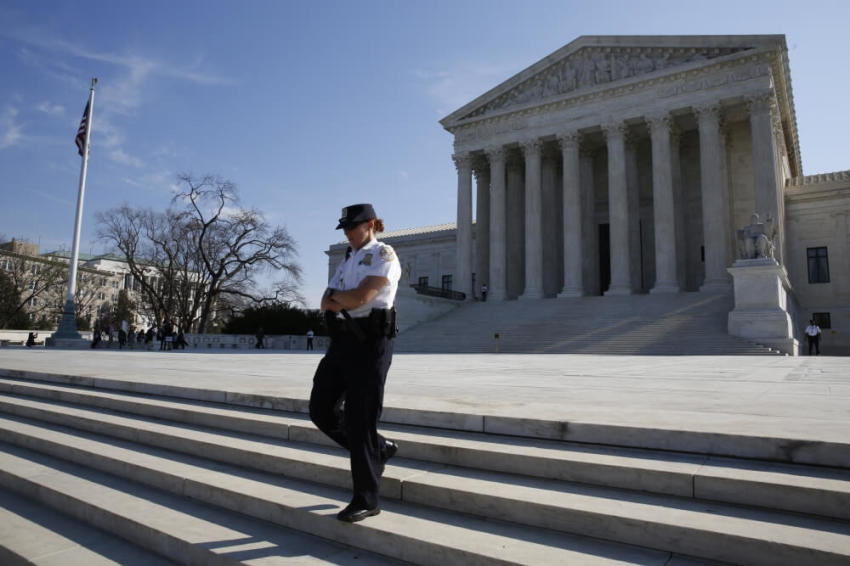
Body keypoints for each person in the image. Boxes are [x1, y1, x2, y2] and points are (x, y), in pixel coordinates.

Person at [310, 203, 401, 523]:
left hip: (371, 343)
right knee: (320, 409)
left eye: (354, 226)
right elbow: (324, 301)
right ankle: (379, 448)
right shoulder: (347, 259)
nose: (348, 233)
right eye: (345, 228)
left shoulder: (383, 254)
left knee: (360, 419)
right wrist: (337, 300)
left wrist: (339, 299)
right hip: (342, 342)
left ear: (372, 223)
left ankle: (367, 497)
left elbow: (363, 297)